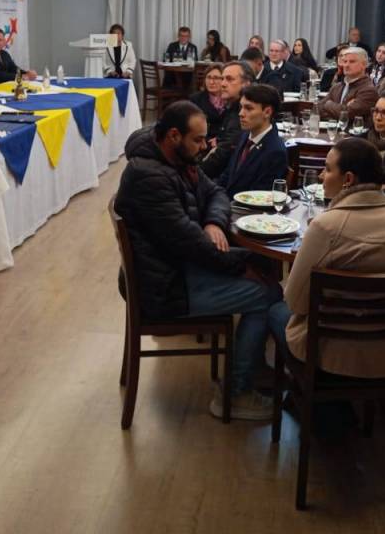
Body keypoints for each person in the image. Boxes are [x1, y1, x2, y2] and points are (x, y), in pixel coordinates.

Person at [115, 101, 280, 420]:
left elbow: (216, 192)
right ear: (173, 135)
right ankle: (237, 392)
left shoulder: (172, 158)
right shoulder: (149, 177)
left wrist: (214, 223)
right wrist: (244, 262)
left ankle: (251, 367)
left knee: (263, 278)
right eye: (198, 140)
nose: (205, 146)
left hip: (172, 269)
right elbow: (189, 243)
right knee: (267, 293)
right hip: (164, 288)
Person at [267, 138, 385, 378]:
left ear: (348, 179)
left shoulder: (326, 226)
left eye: (327, 169)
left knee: (277, 310)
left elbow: (296, 303)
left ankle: (292, 389)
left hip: (331, 356)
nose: (321, 176)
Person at [217, 84, 287, 196]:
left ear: (267, 112)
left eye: (248, 108)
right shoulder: (245, 135)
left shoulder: (275, 152)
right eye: (241, 107)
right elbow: (228, 175)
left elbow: (259, 196)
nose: (241, 114)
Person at [200, 61, 253, 179]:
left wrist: (193, 174)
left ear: (246, 84)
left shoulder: (242, 112)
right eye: (222, 79)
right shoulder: (232, 107)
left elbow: (222, 155)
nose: (223, 84)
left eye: (229, 79)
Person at [315, 47, 378, 123]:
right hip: (331, 128)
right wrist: (339, 110)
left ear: (364, 65)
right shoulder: (337, 87)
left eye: (352, 62)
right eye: (345, 61)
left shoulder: (368, 90)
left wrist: (328, 104)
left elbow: (347, 114)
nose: (347, 65)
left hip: (352, 130)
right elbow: (317, 109)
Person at [189, 64, 225, 141]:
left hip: (224, 140)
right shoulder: (195, 99)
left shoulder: (230, 99)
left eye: (216, 78)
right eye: (208, 77)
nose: (211, 82)